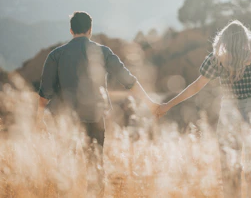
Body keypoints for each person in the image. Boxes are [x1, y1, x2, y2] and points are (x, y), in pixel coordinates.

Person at [37, 11, 159, 196]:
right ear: (90, 30)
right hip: (94, 117)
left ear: (71, 30)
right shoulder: (102, 52)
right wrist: (150, 103)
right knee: (95, 165)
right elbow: (128, 80)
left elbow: (45, 93)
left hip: (65, 120)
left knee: (64, 165)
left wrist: (38, 118)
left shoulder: (56, 55)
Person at [157, 20, 251, 198]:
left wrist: (168, 105)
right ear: (245, 39)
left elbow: (195, 87)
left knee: (229, 166)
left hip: (229, 111)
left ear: (224, 39)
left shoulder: (218, 59)